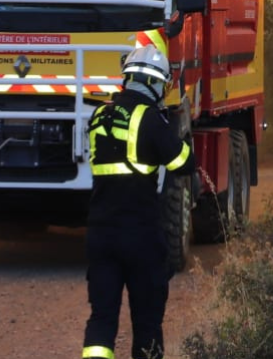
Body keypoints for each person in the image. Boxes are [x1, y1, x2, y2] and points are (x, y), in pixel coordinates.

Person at [81, 44, 195, 359]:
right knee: (146, 322)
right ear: (156, 83)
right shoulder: (151, 119)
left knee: (101, 319)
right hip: (140, 235)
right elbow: (183, 164)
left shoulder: (100, 114)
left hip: (101, 233)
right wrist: (179, 136)